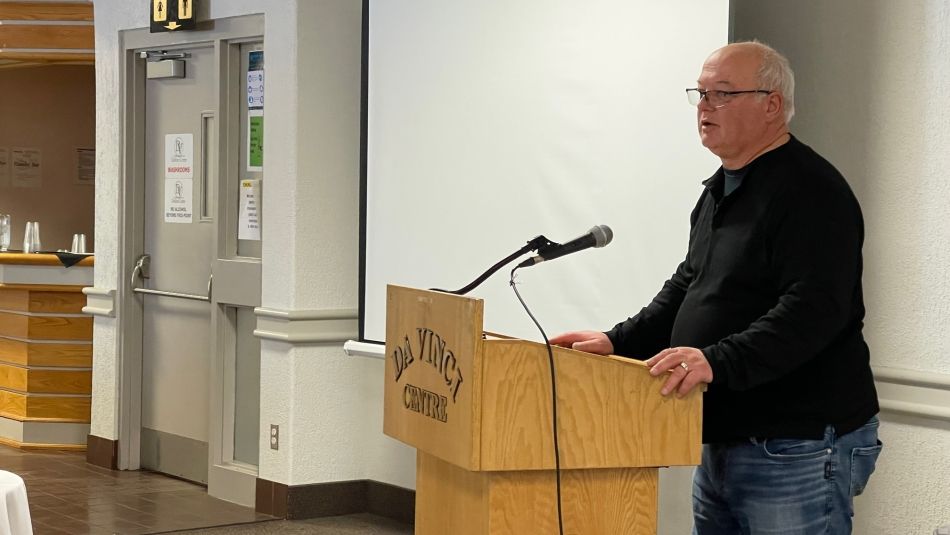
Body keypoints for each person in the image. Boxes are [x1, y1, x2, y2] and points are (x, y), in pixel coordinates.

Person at [550, 41, 882, 534]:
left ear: (771, 104)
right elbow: (690, 286)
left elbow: (812, 310)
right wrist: (617, 341)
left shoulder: (810, 191)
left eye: (722, 94)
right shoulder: (720, 190)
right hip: (724, 435)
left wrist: (715, 361)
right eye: (700, 94)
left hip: (796, 443)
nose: (705, 107)